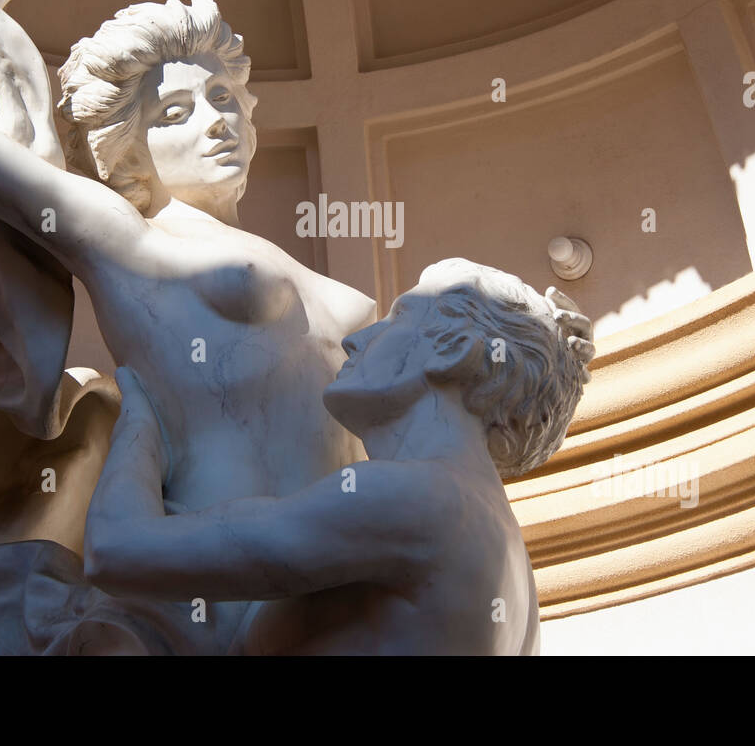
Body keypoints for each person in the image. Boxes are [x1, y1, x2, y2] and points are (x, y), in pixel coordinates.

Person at [83, 259, 595, 655]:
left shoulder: (412, 499)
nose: (354, 339)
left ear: (452, 350)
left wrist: (138, 420)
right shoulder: (501, 550)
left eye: (398, 316)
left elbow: (116, 551)